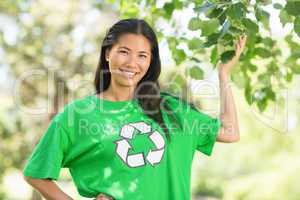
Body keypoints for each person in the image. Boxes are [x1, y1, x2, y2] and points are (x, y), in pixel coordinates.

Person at [23, 18, 246, 200]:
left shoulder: (172, 110)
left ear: (151, 61)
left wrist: (223, 75)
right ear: (107, 53)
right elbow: (36, 173)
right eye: (124, 51)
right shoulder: (77, 115)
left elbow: (230, 132)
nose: (132, 63)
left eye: (142, 56)